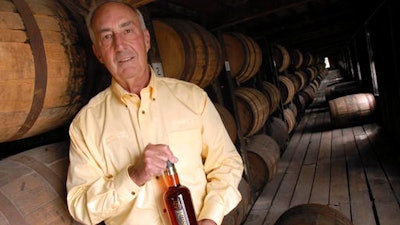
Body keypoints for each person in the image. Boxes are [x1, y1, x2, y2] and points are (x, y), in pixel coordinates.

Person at [66, 1, 244, 225]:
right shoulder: (86, 124)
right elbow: (80, 205)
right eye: (107, 37)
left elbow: (227, 162)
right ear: (98, 53)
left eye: (127, 30)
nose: (120, 45)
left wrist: (211, 217)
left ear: (146, 39)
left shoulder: (193, 98)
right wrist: (132, 176)